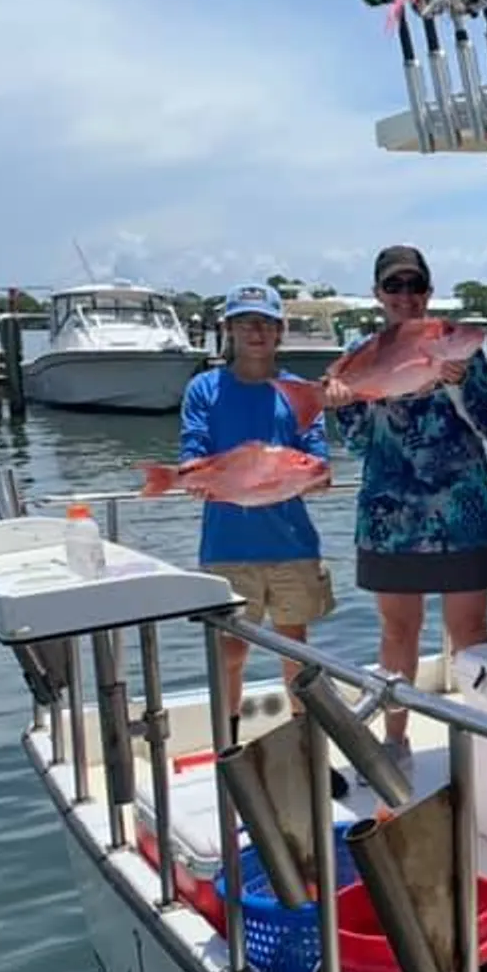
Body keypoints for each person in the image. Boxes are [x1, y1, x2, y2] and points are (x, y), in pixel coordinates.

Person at [323, 246, 487, 758]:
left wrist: (461, 384)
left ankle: (482, 742)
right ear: (378, 294)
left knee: (471, 632)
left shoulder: (461, 349)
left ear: (428, 291)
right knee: (397, 631)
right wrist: (348, 404)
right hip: (392, 514)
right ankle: (394, 739)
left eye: (414, 285)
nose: (405, 295)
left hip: (464, 510)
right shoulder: (358, 354)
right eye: (394, 286)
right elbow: (357, 444)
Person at [178, 281, 347, 797]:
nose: (256, 331)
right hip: (227, 545)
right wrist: (195, 477)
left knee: (296, 652)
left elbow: (318, 462)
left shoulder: (299, 392)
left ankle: (307, 755)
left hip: (291, 543)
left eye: (266, 323)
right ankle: (228, 753)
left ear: (280, 331)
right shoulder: (204, 389)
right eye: (245, 321)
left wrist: (309, 477)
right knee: (229, 654)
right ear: (228, 329)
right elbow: (192, 451)